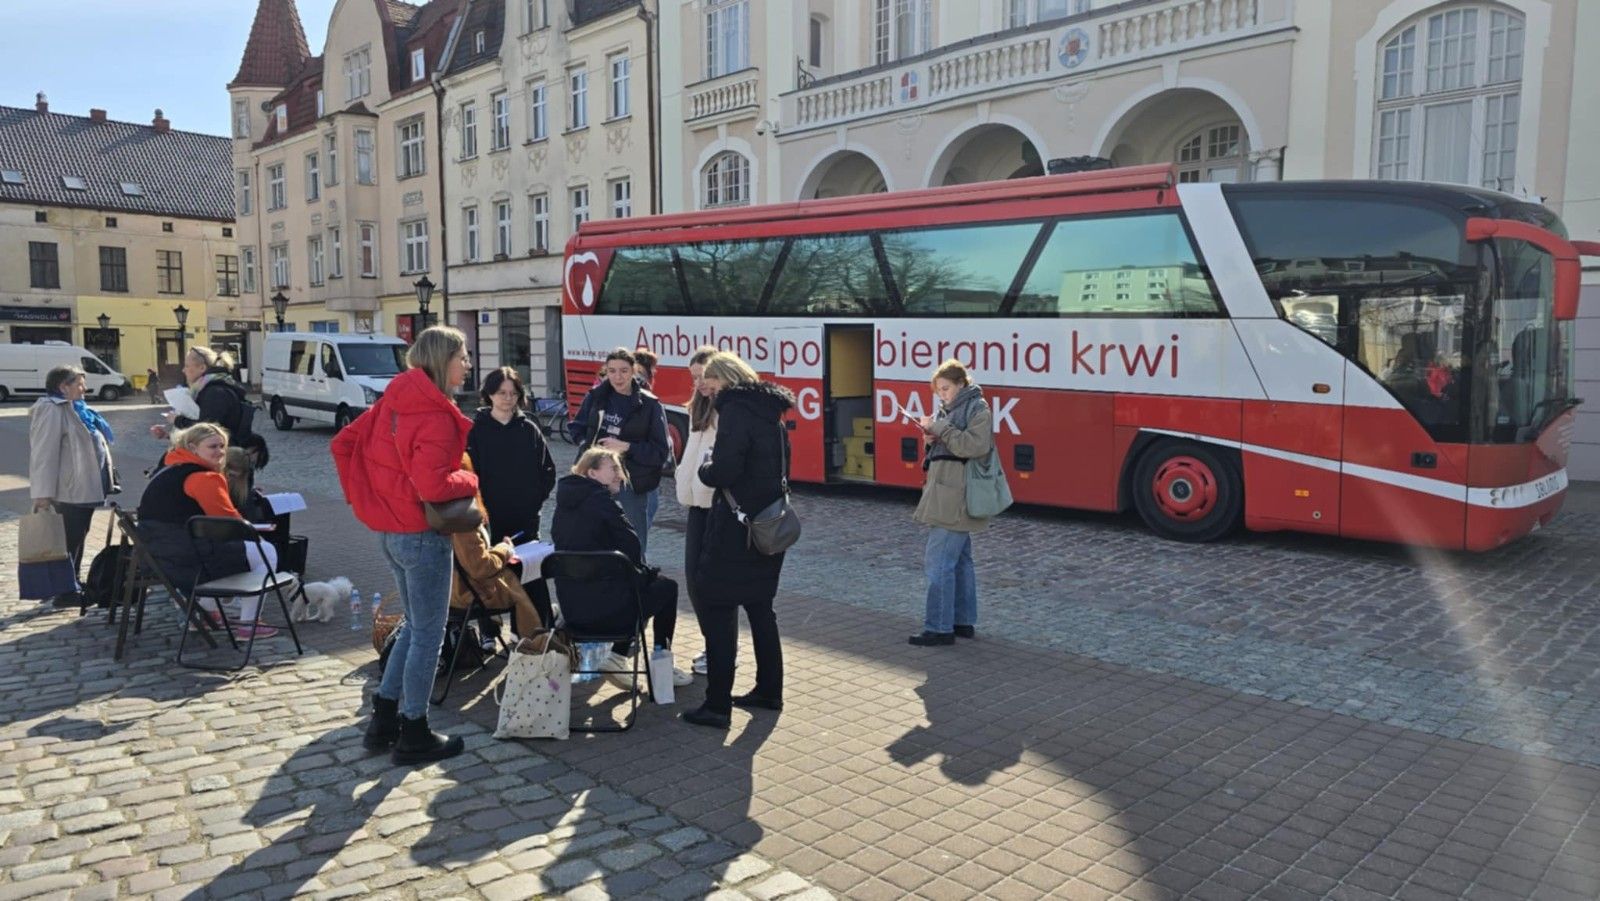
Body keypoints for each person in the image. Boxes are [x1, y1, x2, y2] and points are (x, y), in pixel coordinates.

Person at [332, 326, 477, 766]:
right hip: (421, 536)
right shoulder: (432, 412)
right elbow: (434, 483)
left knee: (415, 627)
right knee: (428, 634)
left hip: (392, 532)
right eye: (462, 356)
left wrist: (377, 498)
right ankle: (414, 730)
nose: (468, 364)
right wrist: (471, 478)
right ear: (442, 359)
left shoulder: (395, 396)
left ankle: (384, 716)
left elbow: (344, 444)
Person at [686, 351, 793, 729]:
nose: (706, 390)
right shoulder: (771, 412)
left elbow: (727, 469)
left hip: (736, 528)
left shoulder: (734, 411)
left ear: (725, 380)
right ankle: (769, 689)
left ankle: (716, 705)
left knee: (717, 608)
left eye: (710, 383)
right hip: (767, 525)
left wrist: (706, 468)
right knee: (761, 609)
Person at [551, 448, 691, 687]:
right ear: (592, 473)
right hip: (609, 613)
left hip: (573, 613)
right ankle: (660, 666)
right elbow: (634, 549)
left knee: (633, 583)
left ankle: (618, 656)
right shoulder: (605, 505)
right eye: (613, 468)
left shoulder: (562, 508)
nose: (620, 475)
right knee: (667, 588)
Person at [137, 423, 279, 638]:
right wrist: (254, 533)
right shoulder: (204, 477)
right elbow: (229, 521)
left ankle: (208, 613)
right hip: (184, 557)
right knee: (266, 551)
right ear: (193, 448)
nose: (220, 452)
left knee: (241, 550)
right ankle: (249, 623)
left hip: (155, 552)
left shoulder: (168, 468)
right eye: (212, 446)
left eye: (222, 446)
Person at [466, 366, 557, 638]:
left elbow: (547, 471)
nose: (507, 398)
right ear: (489, 395)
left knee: (529, 573)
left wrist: (534, 500)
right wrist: (479, 510)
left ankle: (530, 630)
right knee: (487, 575)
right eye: (501, 393)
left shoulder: (528, 429)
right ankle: (489, 633)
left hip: (526, 517)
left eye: (513, 393)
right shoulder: (476, 431)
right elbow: (470, 474)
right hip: (489, 517)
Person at [909, 359, 994, 647]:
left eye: (946, 389)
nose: (942, 395)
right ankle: (962, 621)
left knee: (939, 563)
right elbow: (948, 444)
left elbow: (974, 446)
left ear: (961, 384)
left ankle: (939, 627)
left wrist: (941, 429)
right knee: (960, 561)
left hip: (955, 495)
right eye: (938, 391)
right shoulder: (951, 410)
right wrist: (930, 437)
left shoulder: (977, 409)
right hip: (947, 491)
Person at [567, 347, 670, 560]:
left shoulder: (649, 404)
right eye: (612, 371)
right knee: (595, 536)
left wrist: (626, 446)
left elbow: (660, 452)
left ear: (634, 371)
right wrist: (589, 446)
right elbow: (576, 427)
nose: (617, 377)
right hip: (594, 478)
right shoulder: (596, 396)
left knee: (633, 540)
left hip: (632, 482)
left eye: (623, 370)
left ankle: (637, 580)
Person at [29, 365, 117, 606]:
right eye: (79, 383)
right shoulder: (52, 410)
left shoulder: (79, 410)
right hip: (68, 490)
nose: (84, 388)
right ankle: (64, 592)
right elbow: (43, 454)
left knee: (77, 536)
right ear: (63, 386)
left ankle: (72, 583)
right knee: (67, 540)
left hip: (84, 489)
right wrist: (43, 493)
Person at [675, 345, 720, 677]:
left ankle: (720, 648)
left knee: (712, 581)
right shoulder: (698, 408)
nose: (699, 385)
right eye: (694, 379)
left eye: (702, 377)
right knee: (694, 579)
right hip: (696, 504)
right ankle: (712, 641)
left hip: (718, 504)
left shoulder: (728, 409)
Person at [150, 346, 268, 469]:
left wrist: (177, 420)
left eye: (187, 366)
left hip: (222, 463)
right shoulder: (208, 389)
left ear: (202, 368)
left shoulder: (215, 392)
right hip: (219, 458)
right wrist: (169, 435)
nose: (183, 370)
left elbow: (207, 431)